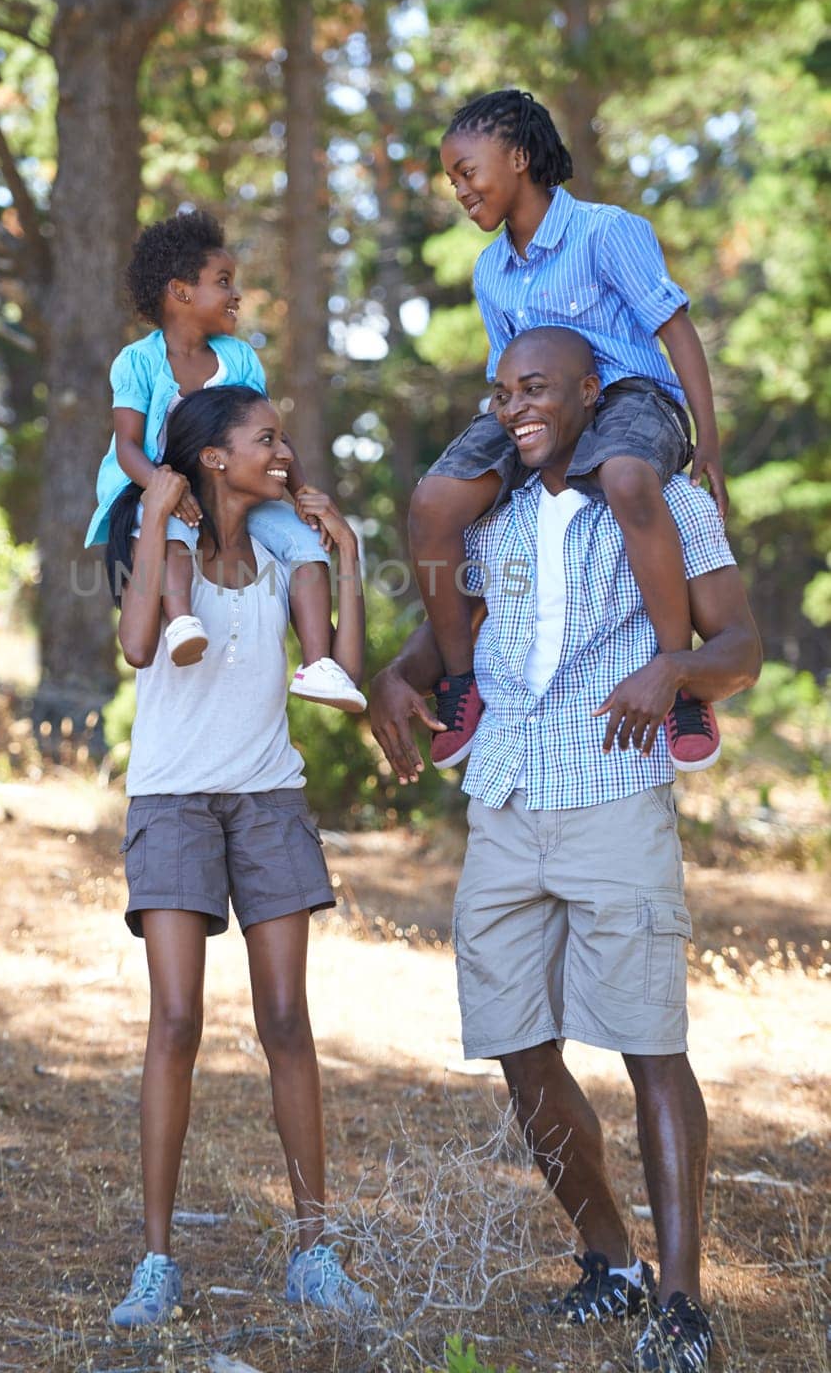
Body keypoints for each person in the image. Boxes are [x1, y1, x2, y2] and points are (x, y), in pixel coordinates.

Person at [371, 328, 761, 1373]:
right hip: (506, 791)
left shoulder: (665, 500)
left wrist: (674, 671)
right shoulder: (488, 509)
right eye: (502, 393)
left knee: (649, 1044)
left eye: (536, 388)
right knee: (517, 1041)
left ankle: (680, 1304)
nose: (515, 407)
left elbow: (740, 647)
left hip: (613, 791)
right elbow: (460, 632)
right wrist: (401, 676)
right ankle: (610, 1262)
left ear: (593, 394)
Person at [106, 384, 374, 1327]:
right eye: (267, 438)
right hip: (174, 799)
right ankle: (156, 1260)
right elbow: (139, 644)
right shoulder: (172, 548)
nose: (285, 450)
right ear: (214, 458)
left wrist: (345, 553)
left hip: (267, 796)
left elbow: (339, 665)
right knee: (175, 1020)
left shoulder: (284, 552)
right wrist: (150, 517)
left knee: (287, 1019)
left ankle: (315, 1250)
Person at [408, 89, 726, 774]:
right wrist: (506, 432)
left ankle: (682, 682)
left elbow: (675, 330)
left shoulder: (607, 232)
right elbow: (505, 382)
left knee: (626, 476)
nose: (459, 190)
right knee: (433, 502)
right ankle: (461, 681)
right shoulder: (491, 269)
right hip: (534, 406)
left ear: (519, 158)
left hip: (630, 396)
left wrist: (710, 439)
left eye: (469, 171)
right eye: (452, 179)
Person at [86, 207, 364, 712]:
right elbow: (127, 444)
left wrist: (300, 491)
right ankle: (183, 618)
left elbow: (270, 434)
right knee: (170, 532)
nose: (236, 293)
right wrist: (164, 488)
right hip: (158, 485)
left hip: (234, 485)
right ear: (181, 291)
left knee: (305, 546)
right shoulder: (140, 360)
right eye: (223, 281)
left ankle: (319, 663)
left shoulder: (239, 358)